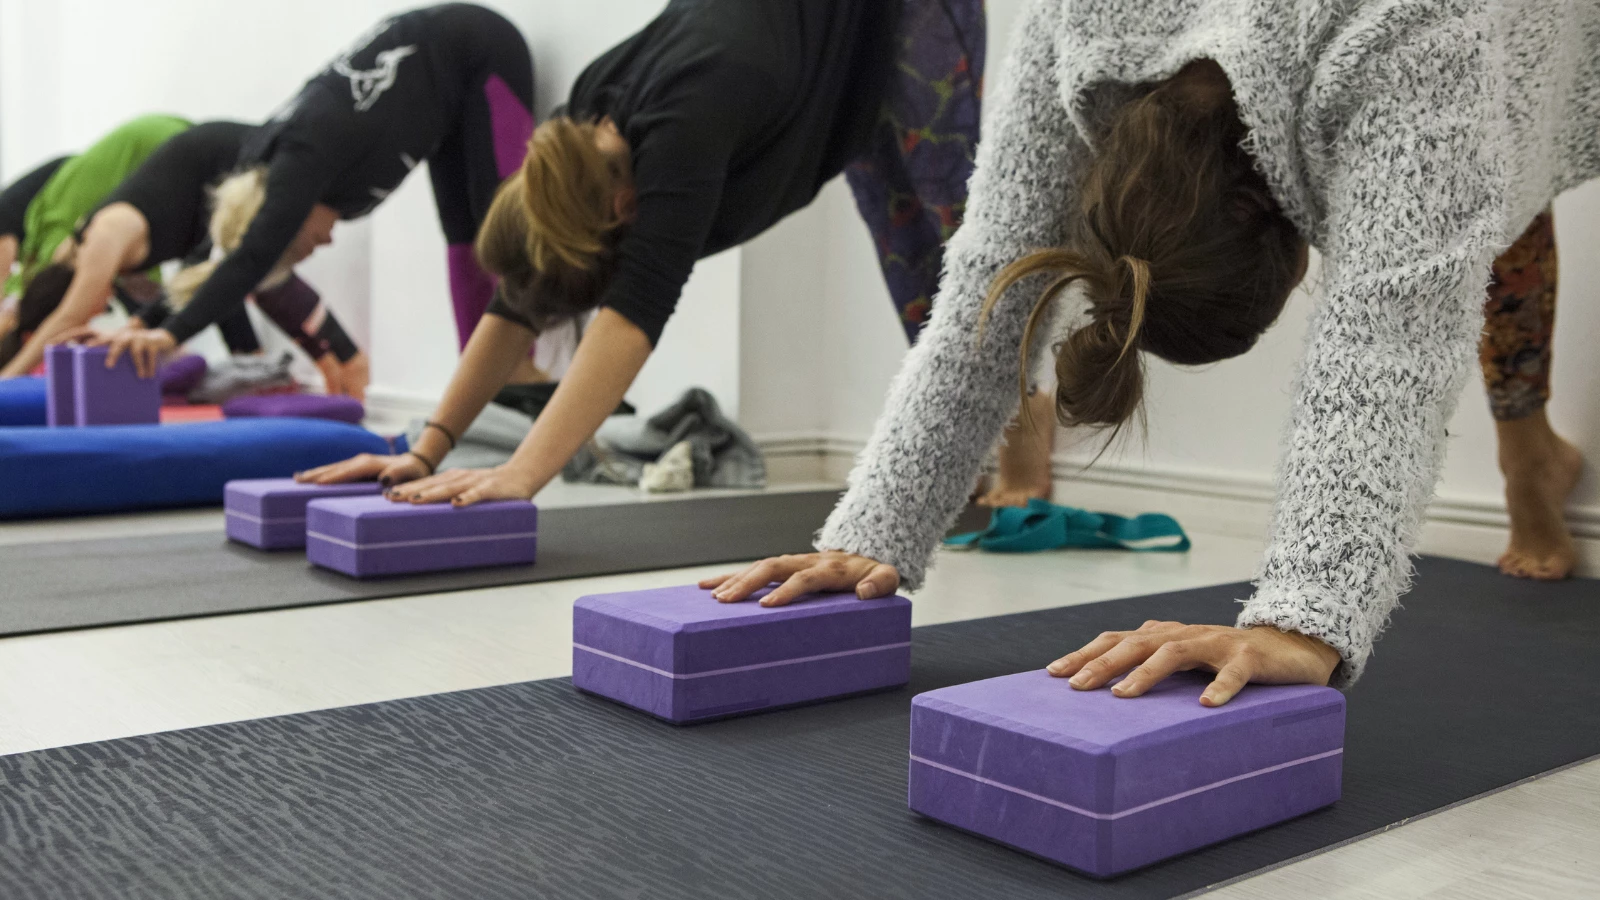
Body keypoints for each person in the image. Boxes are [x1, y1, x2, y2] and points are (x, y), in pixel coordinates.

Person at [702, 0, 1596, 705]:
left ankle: (1528, 459)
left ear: (1291, 225)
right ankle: (1533, 452)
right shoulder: (1077, 24)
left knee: (1473, 197)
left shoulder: (1409, 39)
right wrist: (872, 537)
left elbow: (1385, 338)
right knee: (1475, 201)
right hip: (1432, 74)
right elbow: (992, 284)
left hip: (1497, 37)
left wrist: (1304, 620)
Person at [301, 0, 1041, 502]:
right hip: (808, 46)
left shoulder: (683, 129)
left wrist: (521, 474)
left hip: (900, 14)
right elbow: (515, 305)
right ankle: (973, 442)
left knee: (952, 229)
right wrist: (426, 448)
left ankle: (1024, 452)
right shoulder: (580, 132)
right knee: (910, 254)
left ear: (623, 209)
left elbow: (634, 314)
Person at [96, 3, 539, 393]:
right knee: (463, 234)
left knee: (499, 222)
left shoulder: (300, 163)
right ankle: (480, 373)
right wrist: (141, 323)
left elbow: (251, 257)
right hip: (443, 85)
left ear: (288, 220)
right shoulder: (265, 171)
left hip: (480, 49)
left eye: (301, 246)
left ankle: (519, 367)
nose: (322, 246)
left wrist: (171, 336)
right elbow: (215, 256)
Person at [0, 119, 367, 395]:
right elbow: (174, 294)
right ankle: (338, 375)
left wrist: (8, 378)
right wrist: (137, 328)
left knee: (262, 269)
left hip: (241, 160)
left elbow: (70, 315)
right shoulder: (121, 259)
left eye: (96, 305)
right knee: (242, 275)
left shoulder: (100, 238)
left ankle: (348, 366)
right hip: (216, 175)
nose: (99, 309)